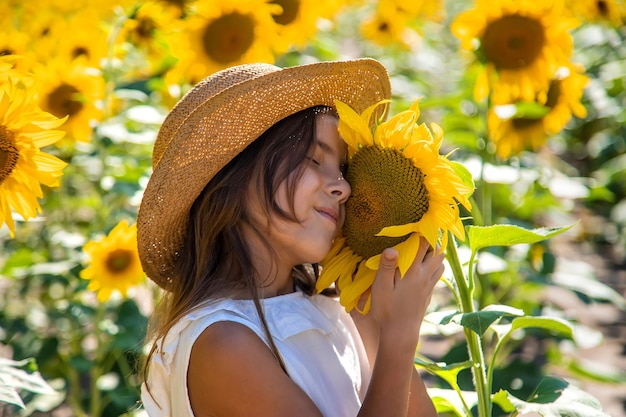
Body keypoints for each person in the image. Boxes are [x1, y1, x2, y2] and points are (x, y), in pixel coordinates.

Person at [137, 58, 444, 417]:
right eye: (315, 160)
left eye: (342, 170)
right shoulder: (223, 342)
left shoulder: (335, 308)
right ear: (233, 177)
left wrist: (380, 318)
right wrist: (399, 336)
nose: (343, 187)